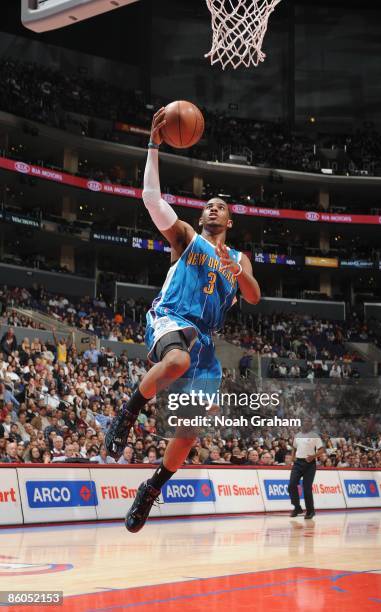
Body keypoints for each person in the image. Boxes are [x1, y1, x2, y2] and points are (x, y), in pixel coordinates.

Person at [105, 107, 260, 533]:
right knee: (176, 363)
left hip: (205, 342)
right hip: (172, 317)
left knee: (189, 432)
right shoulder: (186, 238)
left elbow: (254, 295)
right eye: (207, 205)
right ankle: (128, 413)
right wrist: (154, 147)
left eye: (219, 207)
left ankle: (151, 488)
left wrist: (237, 270)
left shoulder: (237, 258)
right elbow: (151, 200)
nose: (211, 209)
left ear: (229, 220)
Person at [288, 417, 324, 519]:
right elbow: (294, 447)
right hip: (298, 463)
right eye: (304, 422)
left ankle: (310, 511)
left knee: (307, 488)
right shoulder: (297, 435)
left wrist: (313, 456)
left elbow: (321, 450)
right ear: (302, 424)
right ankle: (297, 507)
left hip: (310, 464)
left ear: (311, 424)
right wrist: (293, 457)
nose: (306, 424)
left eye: (308, 422)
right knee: (291, 485)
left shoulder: (315, 436)